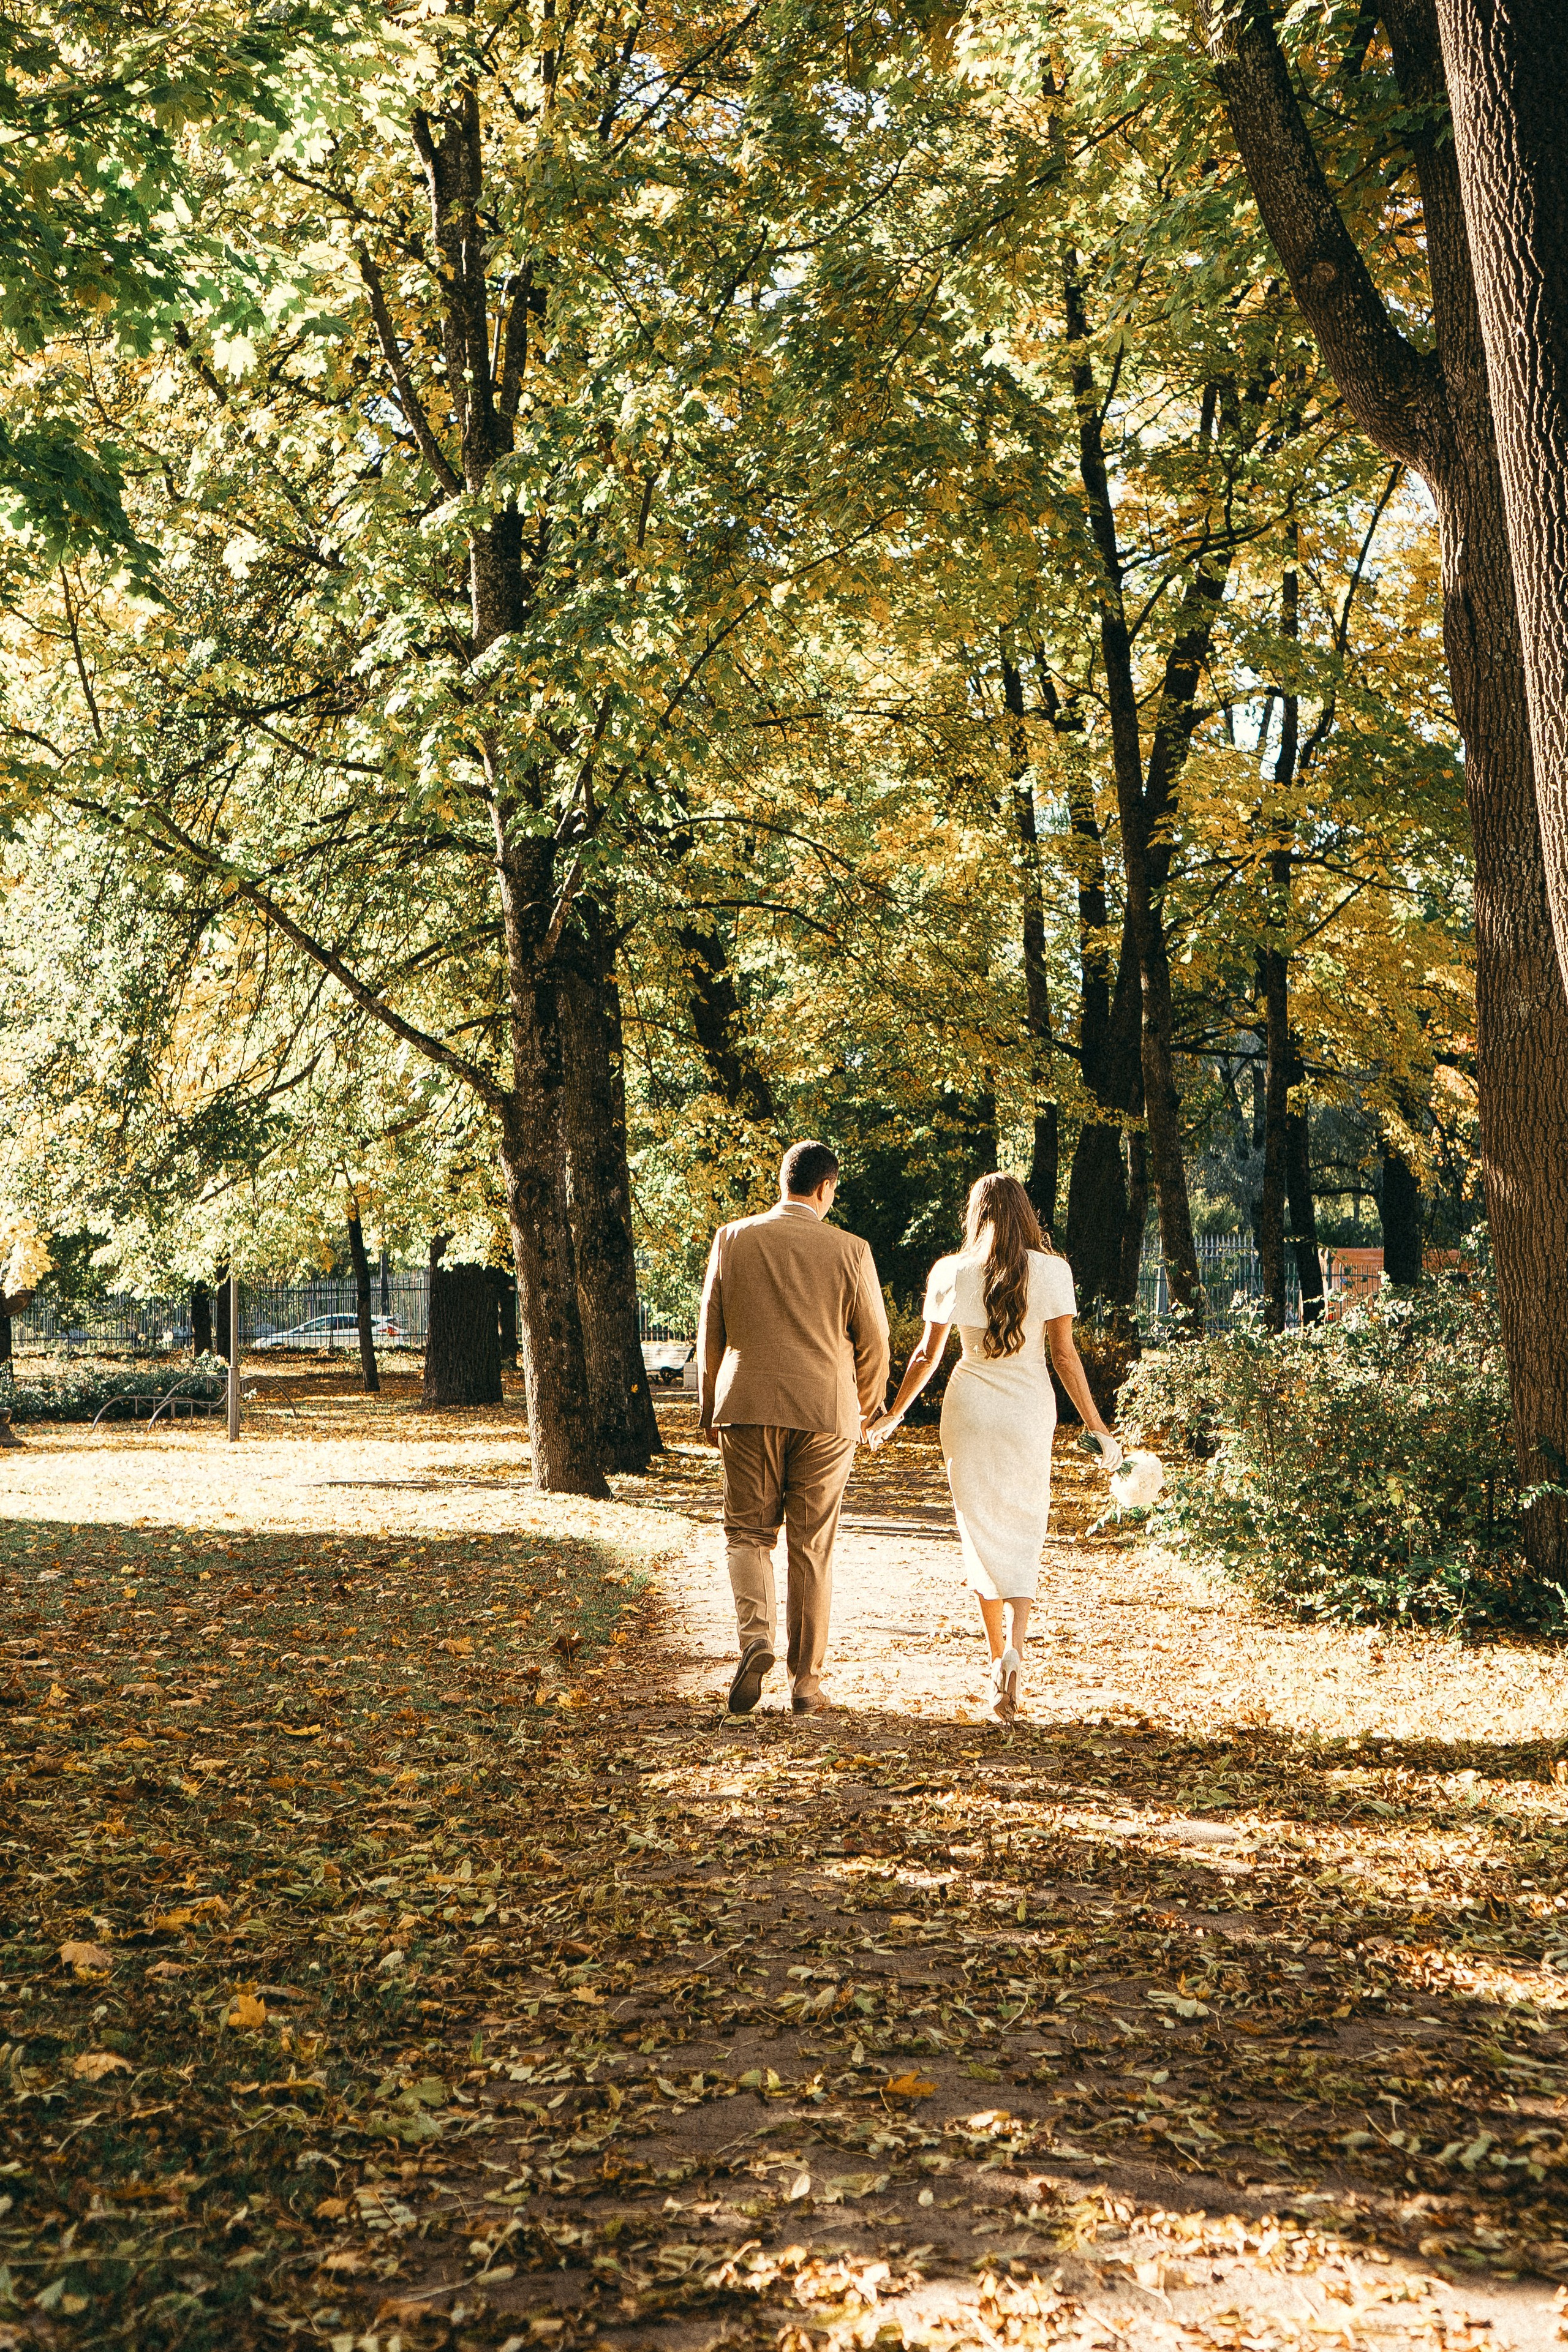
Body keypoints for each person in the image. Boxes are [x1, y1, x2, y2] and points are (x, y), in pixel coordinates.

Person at [866, 1171, 1118, 1724]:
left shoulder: (951, 1271)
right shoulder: (1053, 1271)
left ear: (975, 1214)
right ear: (1025, 1212)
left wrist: (892, 1415)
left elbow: (925, 1359)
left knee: (979, 1529)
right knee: (1026, 1524)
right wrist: (1099, 1427)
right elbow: (1066, 1357)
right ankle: (1018, 1652)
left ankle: (994, 1655)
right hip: (1029, 1409)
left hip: (971, 1406)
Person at [698, 1140, 890, 1716]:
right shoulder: (851, 1249)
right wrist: (865, 1404)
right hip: (825, 1411)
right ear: (826, 1188)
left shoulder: (732, 1237)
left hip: (747, 1401)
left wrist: (711, 1403)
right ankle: (806, 1683)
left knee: (748, 1533)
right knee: (811, 1546)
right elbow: (875, 1339)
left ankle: (756, 1637)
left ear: (783, 1182)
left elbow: (711, 1326)